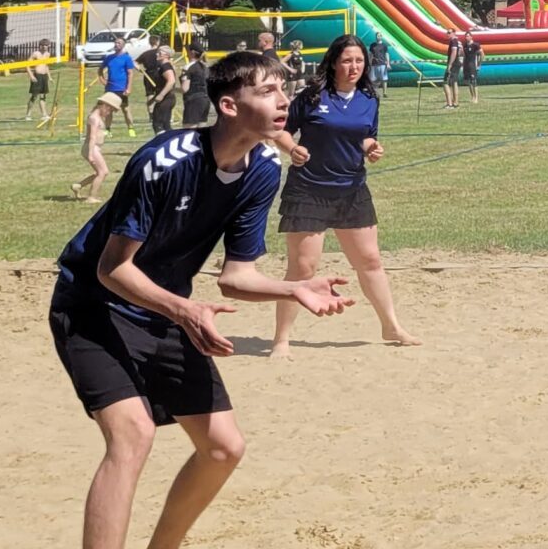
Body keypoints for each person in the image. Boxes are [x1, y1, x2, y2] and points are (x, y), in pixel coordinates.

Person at [49, 50, 354, 549]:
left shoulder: (261, 171)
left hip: (164, 308)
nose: (284, 101)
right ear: (230, 106)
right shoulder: (163, 161)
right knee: (133, 437)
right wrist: (185, 310)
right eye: (268, 91)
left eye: (285, 88)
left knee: (222, 449)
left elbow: (235, 277)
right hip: (92, 303)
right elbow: (111, 269)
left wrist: (292, 288)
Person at [272, 34, 419, 354]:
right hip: (309, 189)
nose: (353, 66)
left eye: (359, 61)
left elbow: (366, 136)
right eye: (347, 60)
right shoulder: (312, 95)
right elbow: (280, 128)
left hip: (352, 189)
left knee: (370, 260)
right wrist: (292, 148)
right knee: (303, 268)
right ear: (334, 62)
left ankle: (391, 326)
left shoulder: (369, 98)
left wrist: (372, 148)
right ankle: (282, 339)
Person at [73, 35, 137, 202]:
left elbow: (131, 74)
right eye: (110, 109)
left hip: (95, 149)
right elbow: (92, 137)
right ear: (104, 105)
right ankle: (92, 197)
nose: (110, 112)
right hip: (91, 149)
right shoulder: (94, 118)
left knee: (98, 172)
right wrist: (92, 154)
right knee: (103, 172)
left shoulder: (126, 58)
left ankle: (79, 185)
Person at [142, 44, 183, 135]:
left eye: (159, 53)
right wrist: (152, 100)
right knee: (165, 124)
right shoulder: (162, 66)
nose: (157, 54)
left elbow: (171, 81)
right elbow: (161, 86)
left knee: (158, 124)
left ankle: (163, 142)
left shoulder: (166, 67)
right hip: (167, 98)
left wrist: (161, 95)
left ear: (166, 55)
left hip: (167, 99)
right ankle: (168, 141)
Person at [23, 40, 57, 124]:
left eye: (47, 45)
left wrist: (50, 77)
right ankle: (28, 115)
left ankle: (44, 115)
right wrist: (31, 76)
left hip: (44, 76)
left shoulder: (48, 54)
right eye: (43, 45)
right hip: (37, 76)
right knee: (34, 96)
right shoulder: (35, 54)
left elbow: (46, 66)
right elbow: (27, 65)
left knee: (43, 96)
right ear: (40, 45)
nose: (45, 47)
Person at [181, 45, 212, 129]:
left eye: (187, 51)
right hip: (205, 100)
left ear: (192, 52)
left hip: (193, 100)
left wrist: (172, 90)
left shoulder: (188, 67)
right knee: (200, 133)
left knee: (188, 132)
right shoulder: (205, 67)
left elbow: (185, 88)